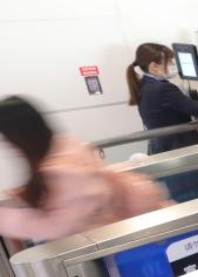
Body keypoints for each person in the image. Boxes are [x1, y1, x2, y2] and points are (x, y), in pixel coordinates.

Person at [0, 96, 167, 242]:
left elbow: (54, 226)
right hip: (111, 238)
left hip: (104, 252)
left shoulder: (60, 173)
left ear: (21, 138)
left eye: (9, 141)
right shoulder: (68, 147)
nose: (10, 148)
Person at [125, 42, 198, 202]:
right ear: (154, 66)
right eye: (169, 62)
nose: (172, 66)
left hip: (164, 148)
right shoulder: (163, 89)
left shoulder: (144, 86)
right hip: (181, 150)